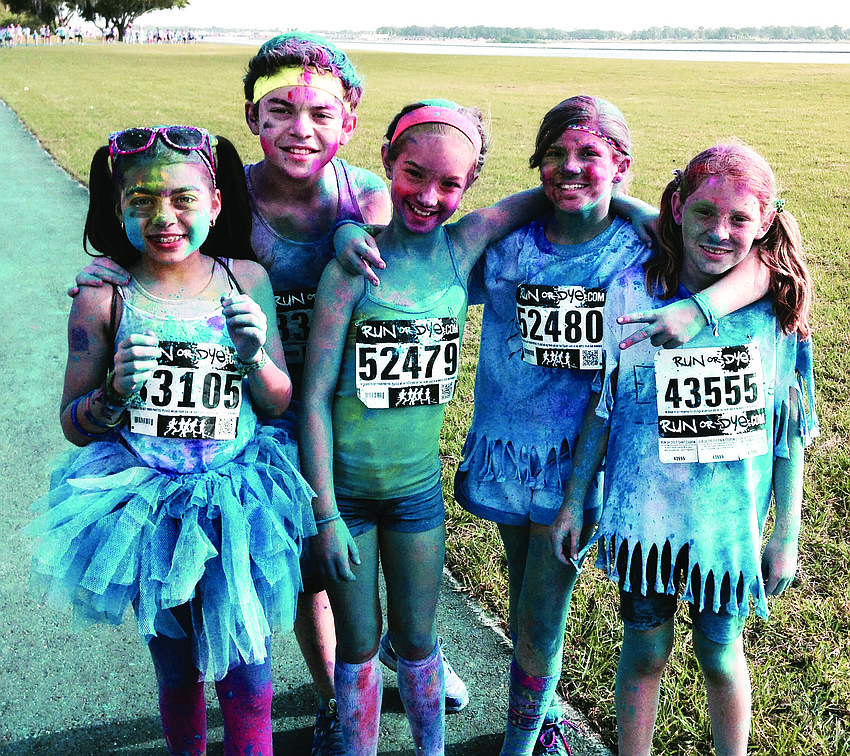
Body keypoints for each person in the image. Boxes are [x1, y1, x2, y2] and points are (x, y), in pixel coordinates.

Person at [67, 32, 469, 755]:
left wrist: (350, 231)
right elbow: (171, 239)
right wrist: (113, 270)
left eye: (320, 113)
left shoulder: (365, 194)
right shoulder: (232, 199)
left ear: (350, 122)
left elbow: (404, 241)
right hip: (250, 412)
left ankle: (395, 659)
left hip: (340, 406)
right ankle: (335, 691)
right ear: (252, 116)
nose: (299, 129)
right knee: (294, 571)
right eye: (280, 110)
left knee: (338, 561)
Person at [453, 97, 772, 756]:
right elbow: (435, 259)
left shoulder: (641, 247)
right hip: (512, 453)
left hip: (585, 459)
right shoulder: (510, 247)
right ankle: (540, 714)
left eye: (590, 155)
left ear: (622, 165)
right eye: (555, 155)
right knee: (524, 594)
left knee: (542, 611)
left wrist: (634, 212)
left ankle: (523, 738)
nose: (570, 166)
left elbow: (763, 263)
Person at [24, 125, 316, 756]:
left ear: (216, 203)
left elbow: (277, 401)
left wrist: (255, 355)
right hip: (146, 510)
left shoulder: (246, 280)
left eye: (184, 199)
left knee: (249, 672)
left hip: (238, 503)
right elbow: (73, 423)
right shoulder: (104, 297)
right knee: (177, 669)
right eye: (142, 201)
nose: (163, 218)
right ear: (118, 208)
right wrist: (113, 394)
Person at [298, 99, 569, 756]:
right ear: (387, 162)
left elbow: (558, 192)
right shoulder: (353, 269)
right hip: (347, 498)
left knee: (418, 640)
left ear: (470, 183)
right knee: (358, 645)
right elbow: (312, 399)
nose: (428, 196)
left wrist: (649, 214)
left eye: (450, 183)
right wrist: (325, 513)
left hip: (417, 495)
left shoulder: (463, 246)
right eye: (414, 174)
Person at [550, 143, 817, 756]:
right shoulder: (632, 291)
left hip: (724, 526)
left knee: (721, 654)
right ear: (676, 208)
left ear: (766, 222)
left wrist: (786, 534)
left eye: (739, 219)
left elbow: (790, 433)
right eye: (703, 213)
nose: (719, 232)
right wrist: (573, 500)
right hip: (646, 520)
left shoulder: (775, 311)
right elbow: (604, 404)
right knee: (644, 649)